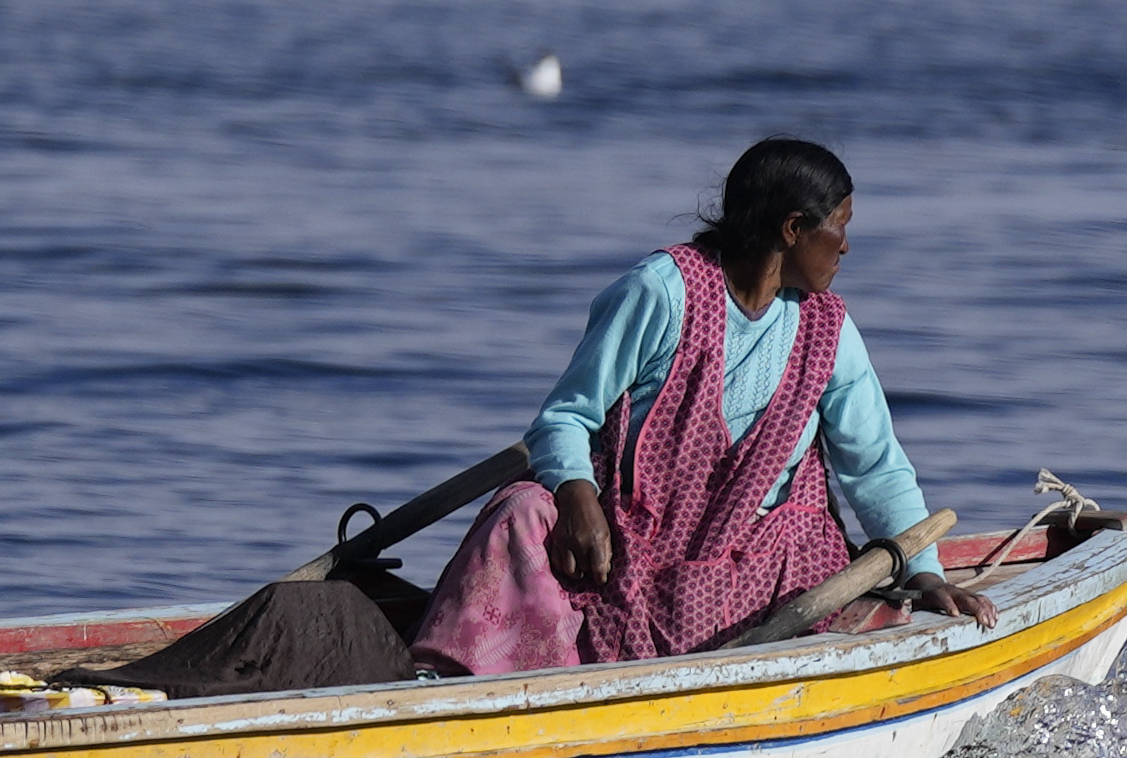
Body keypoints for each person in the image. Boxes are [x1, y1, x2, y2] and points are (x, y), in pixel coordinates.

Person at [412, 137, 978, 678]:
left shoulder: (829, 328)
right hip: (632, 546)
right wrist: (576, 493)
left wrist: (924, 574)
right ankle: (463, 685)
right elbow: (565, 416)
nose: (847, 247)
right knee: (521, 512)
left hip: (759, 562)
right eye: (841, 227)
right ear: (793, 229)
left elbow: (875, 465)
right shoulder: (660, 292)